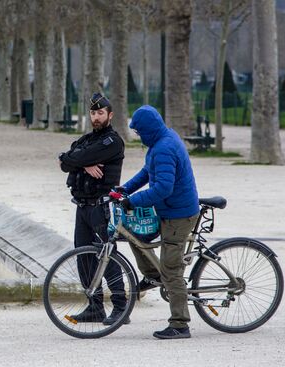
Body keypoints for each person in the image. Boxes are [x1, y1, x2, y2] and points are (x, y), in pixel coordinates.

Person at [118, 105, 200, 339]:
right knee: (135, 235)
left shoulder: (163, 147)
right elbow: (147, 172)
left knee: (172, 267)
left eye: (139, 132)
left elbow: (163, 188)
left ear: (148, 130)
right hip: (169, 210)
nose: (139, 137)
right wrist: (124, 189)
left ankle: (180, 324)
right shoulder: (161, 140)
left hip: (178, 214)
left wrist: (132, 202)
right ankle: (154, 276)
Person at [58, 93, 128, 326]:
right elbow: (64, 162)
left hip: (102, 208)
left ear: (110, 115)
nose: (96, 117)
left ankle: (121, 307)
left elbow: (73, 158)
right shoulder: (86, 140)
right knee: (84, 258)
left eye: (100, 113)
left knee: (107, 255)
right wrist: (84, 165)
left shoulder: (113, 141)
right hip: (82, 207)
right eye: (93, 113)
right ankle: (95, 307)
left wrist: (78, 160)